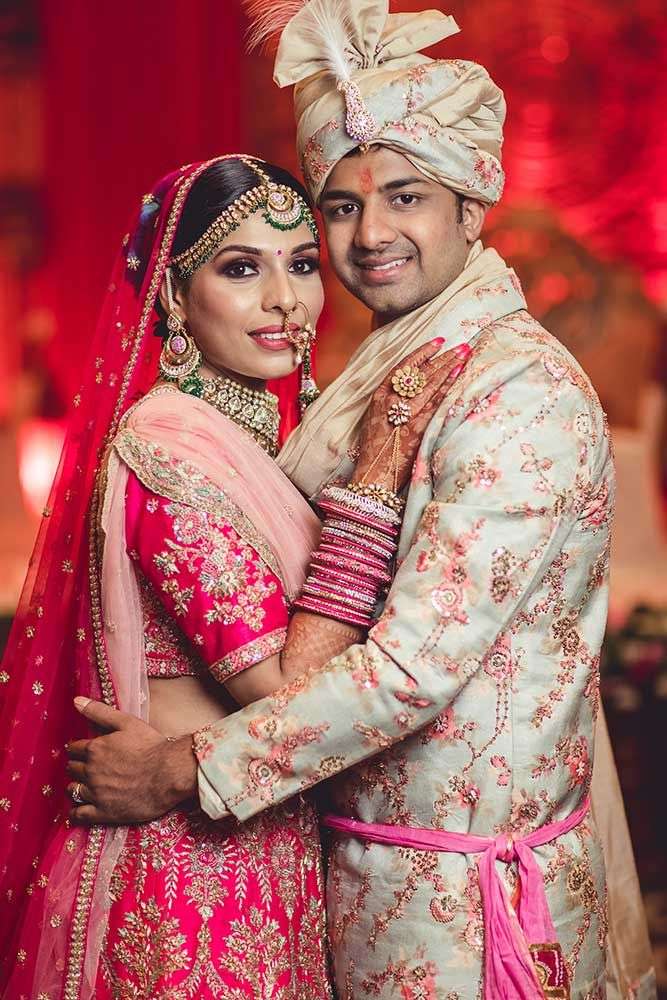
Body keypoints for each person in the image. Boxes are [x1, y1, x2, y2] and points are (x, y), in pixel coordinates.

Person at [63, 2, 656, 998]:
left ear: (471, 208)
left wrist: (174, 769)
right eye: (339, 206)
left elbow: (408, 673)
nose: (369, 234)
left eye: (406, 197)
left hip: (465, 919)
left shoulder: (513, 389)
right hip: (366, 879)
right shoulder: (375, 379)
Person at [0, 152, 468, 999]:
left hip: (259, 848)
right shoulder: (168, 456)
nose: (285, 300)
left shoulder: (251, 449)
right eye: (241, 268)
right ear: (175, 297)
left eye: (300, 265)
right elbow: (294, 690)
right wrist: (373, 484)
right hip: (182, 880)